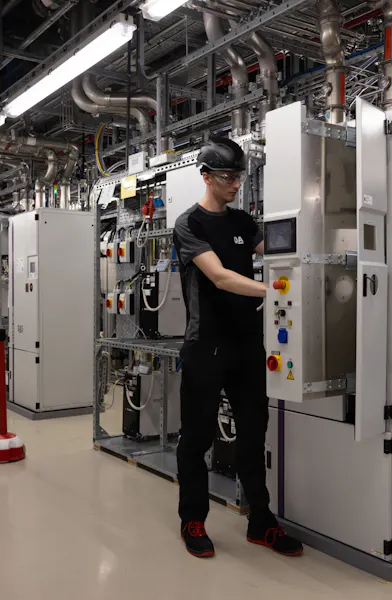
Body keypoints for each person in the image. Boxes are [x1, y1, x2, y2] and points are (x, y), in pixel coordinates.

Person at [172, 137, 303, 559]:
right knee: (196, 437)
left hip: (248, 344)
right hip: (205, 345)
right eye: (228, 177)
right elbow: (221, 277)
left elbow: (284, 250)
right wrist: (274, 290)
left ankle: (260, 523)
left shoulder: (245, 223)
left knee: (253, 435)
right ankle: (193, 519)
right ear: (206, 177)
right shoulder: (189, 224)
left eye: (239, 177)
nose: (235, 184)